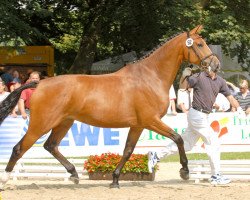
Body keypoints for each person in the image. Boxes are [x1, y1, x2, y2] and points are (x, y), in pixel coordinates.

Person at [148, 66, 244, 185]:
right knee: (213, 142)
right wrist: (184, 76)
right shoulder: (199, 77)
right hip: (197, 114)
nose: (207, 67)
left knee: (186, 144)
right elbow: (183, 87)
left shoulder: (220, 81)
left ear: (215, 68)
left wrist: (239, 107)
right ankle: (216, 175)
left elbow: (230, 97)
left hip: (203, 116)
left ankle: (156, 155)